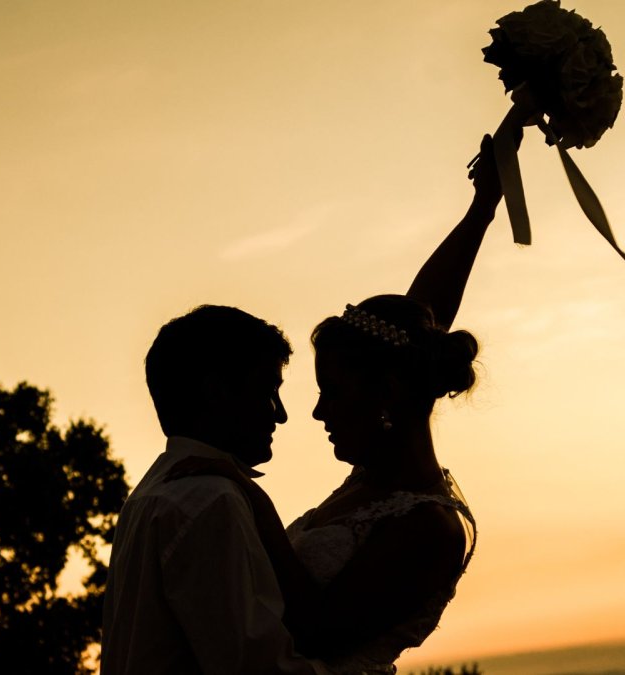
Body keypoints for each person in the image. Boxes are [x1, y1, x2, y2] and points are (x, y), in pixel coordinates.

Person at [169, 134, 510, 673]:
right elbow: (422, 312)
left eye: (331, 392)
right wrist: (481, 211)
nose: (317, 413)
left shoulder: (429, 529)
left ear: (388, 392)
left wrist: (251, 500)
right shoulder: (372, 481)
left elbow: (317, 629)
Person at [99, 305, 327, 674]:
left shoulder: (148, 495)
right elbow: (253, 665)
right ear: (217, 392)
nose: (280, 413)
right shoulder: (211, 501)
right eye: (268, 390)